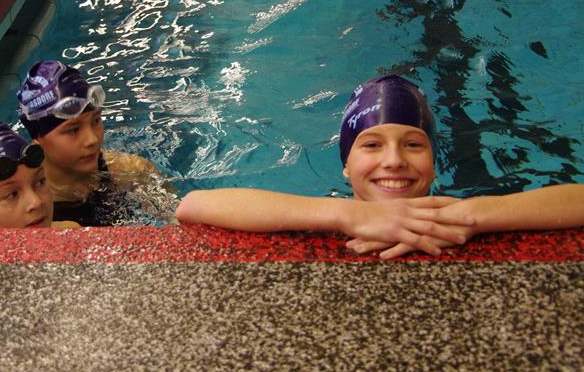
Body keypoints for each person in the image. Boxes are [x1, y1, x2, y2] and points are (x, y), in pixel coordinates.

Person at [176, 75, 584, 258]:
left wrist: (472, 214)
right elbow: (192, 205)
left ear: (434, 164)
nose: (394, 160)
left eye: (413, 144)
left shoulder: (452, 214)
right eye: (371, 145)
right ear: (346, 166)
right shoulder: (328, 213)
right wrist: (348, 215)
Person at [17, 59, 170, 226]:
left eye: (96, 121)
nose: (92, 139)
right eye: (73, 130)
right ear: (38, 139)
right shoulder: (28, 209)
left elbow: (178, 220)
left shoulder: (132, 172)